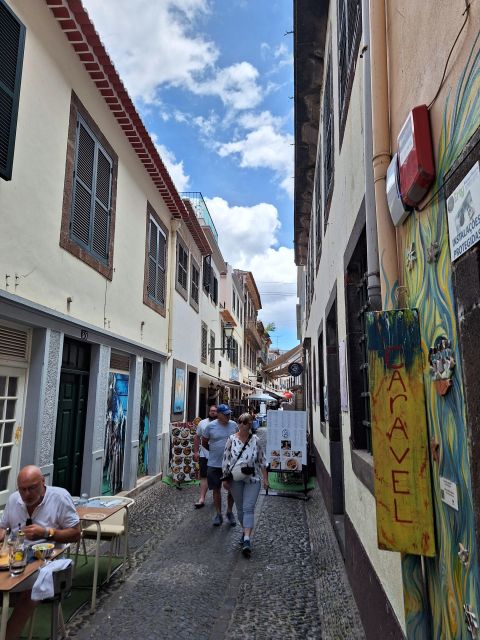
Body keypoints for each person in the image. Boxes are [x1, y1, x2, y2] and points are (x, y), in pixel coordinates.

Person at [0, 465, 81, 640]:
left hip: (49, 562)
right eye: (22, 489)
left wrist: (46, 532)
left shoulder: (59, 497)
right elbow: (2, 526)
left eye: (32, 488)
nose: (27, 494)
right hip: (16, 559)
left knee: (31, 590)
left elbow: (76, 533)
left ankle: (8, 635)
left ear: (43, 482)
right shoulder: (14, 500)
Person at [222, 413, 268, 558]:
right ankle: (244, 531)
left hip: (253, 479)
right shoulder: (231, 439)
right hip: (235, 479)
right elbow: (225, 459)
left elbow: (262, 460)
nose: (241, 424)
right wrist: (224, 478)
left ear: (250, 424)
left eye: (244, 422)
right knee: (241, 509)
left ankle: (247, 539)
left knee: (248, 508)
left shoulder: (256, 440)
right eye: (239, 421)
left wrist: (266, 480)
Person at [202, 404, 238, 526]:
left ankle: (229, 512)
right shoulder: (210, 427)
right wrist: (215, 451)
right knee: (216, 489)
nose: (228, 416)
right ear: (219, 414)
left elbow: (238, 440)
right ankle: (218, 514)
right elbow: (204, 442)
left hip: (230, 464)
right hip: (214, 463)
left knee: (231, 489)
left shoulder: (234, 425)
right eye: (225, 414)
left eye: (229, 414)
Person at [193, 404, 217, 508]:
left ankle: (216, 497)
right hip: (204, 454)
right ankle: (202, 498)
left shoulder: (222, 424)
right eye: (211, 411)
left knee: (216, 477)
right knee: (204, 476)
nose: (213, 412)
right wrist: (196, 452)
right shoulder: (202, 423)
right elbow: (197, 437)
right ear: (209, 412)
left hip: (217, 456)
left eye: (215, 411)